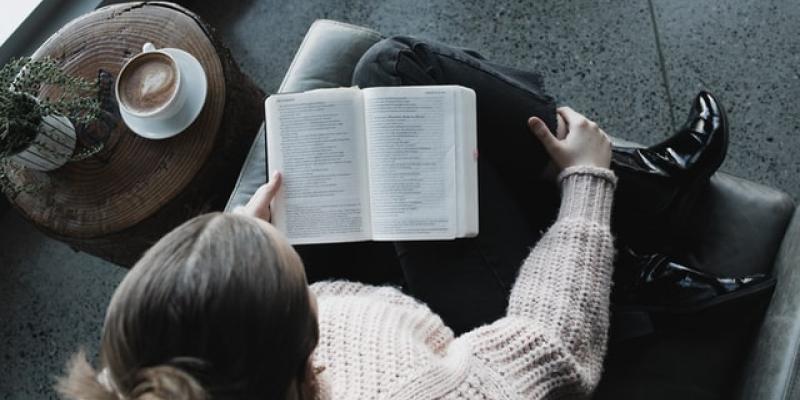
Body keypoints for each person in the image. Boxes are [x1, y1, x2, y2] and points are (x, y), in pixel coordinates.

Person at [57, 36, 761, 399]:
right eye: (286, 274)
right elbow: (552, 341)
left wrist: (243, 247)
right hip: (464, 337)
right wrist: (587, 182)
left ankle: (640, 199)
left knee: (388, 74)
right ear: (306, 357)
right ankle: (625, 214)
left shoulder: (147, 379)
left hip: (369, 317)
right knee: (395, 73)